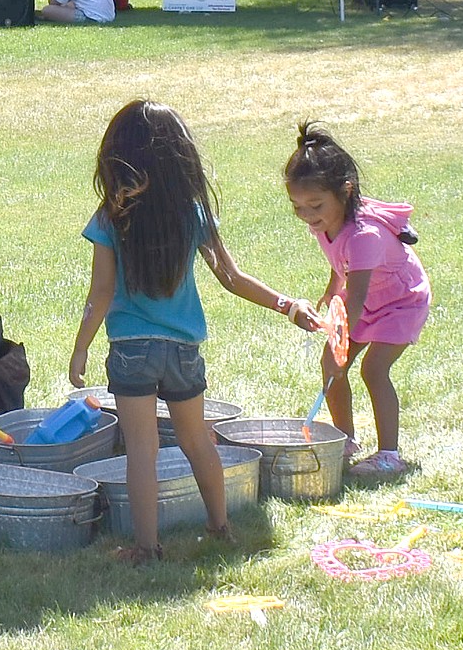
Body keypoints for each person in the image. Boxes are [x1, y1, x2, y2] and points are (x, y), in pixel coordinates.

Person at [68, 100, 320, 565]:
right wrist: (287, 305)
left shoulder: (111, 217)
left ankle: (147, 547)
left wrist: (80, 349)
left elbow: (99, 292)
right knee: (197, 439)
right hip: (184, 351)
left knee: (141, 449)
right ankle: (220, 526)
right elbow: (232, 277)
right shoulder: (192, 214)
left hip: (131, 351)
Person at [283, 121, 430, 477]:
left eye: (315, 205)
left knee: (373, 370)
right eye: (297, 206)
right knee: (331, 367)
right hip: (366, 299)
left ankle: (390, 455)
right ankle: (345, 439)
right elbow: (344, 264)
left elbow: (359, 295)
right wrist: (333, 285)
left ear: (345, 192)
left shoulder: (365, 234)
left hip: (400, 301)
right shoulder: (325, 222)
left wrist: (340, 347)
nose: (307, 215)